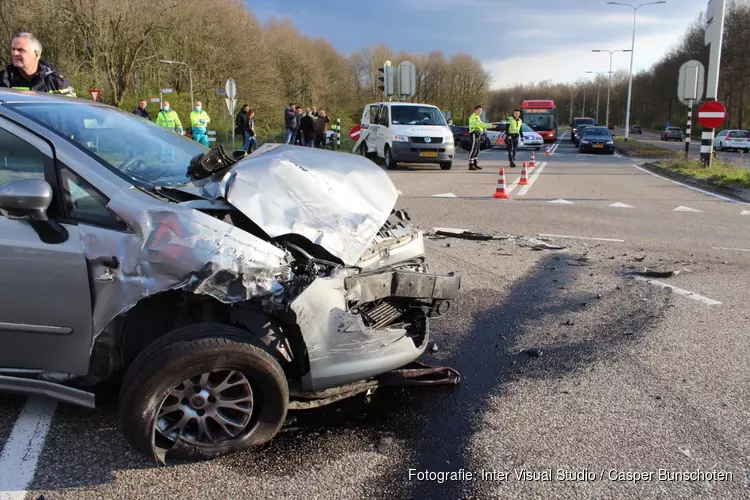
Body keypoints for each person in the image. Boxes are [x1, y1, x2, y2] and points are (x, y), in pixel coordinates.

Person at [0, 32, 76, 96]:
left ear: (36, 54)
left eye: (21, 50)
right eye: (13, 49)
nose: (15, 53)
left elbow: (71, 111)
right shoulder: (3, 79)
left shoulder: (56, 82)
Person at [467, 105, 494, 170]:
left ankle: (475, 164)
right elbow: (481, 124)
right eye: (479, 110)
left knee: (477, 149)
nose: (480, 112)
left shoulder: (478, 117)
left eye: (481, 111)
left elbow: (481, 124)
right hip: (474, 134)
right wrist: (491, 126)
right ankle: (471, 164)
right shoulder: (474, 117)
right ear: (475, 110)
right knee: (473, 149)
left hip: (478, 134)